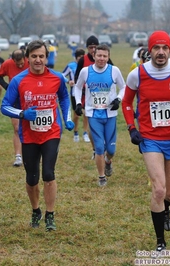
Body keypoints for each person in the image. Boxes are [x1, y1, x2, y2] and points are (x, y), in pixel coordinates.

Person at [121, 30, 170, 254]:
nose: (161, 52)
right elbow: (126, 102)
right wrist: (131, 128)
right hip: (150, 139)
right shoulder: (138, 74)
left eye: (165, 48)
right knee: (158, 190)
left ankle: (166, 210)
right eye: (157, 48)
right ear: (149, 50)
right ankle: (160, 242)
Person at [1, 40, 74, 231]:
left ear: (46, 58)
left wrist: (66, 118)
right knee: (32, 177)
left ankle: (50, 214)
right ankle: (36, 210)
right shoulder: (19, 80)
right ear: (27, 58)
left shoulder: (57, 78)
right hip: (29, 135)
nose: (38, 60)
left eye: (41, 56)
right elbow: (5, 106)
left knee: (48, 174)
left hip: (51, 132)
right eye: (34, 56)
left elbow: (64, 98)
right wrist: (23, 114)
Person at [74, 44, 126, 187]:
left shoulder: (114, 71)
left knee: (111, 150)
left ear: (108, 57)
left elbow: (124, 87)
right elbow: (77, 87)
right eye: (99, 55)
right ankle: (101, 176)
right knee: (99, 148)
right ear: (94, 56)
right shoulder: (86, 71)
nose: (101, 59)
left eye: (105, 56)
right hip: (93, 113)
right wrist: (78, 103)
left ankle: (108, 162)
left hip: (110, 114)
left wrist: (118, 99)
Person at [0, 49, 29, 166]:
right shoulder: (7, 64)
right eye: (17, 63)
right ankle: (18, 156)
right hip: (15, 99)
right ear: (12, 60)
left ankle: (32, 154)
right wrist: (7, 87)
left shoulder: (30, 61)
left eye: (22, 63)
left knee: (31, 127)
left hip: (29, 98)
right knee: (16, 128)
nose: (20, 65)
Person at [62, 48, 90, 143]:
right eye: (79, 58)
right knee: (77, 115)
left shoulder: (87, 66)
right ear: (76, 58)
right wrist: (68, 81)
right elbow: (62, 75)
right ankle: (76, 132)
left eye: (83, 58)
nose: (81, 60)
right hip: (75, 93)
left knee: (86, 113)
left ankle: (85, 133)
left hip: (86, 93)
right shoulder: (70, 66)